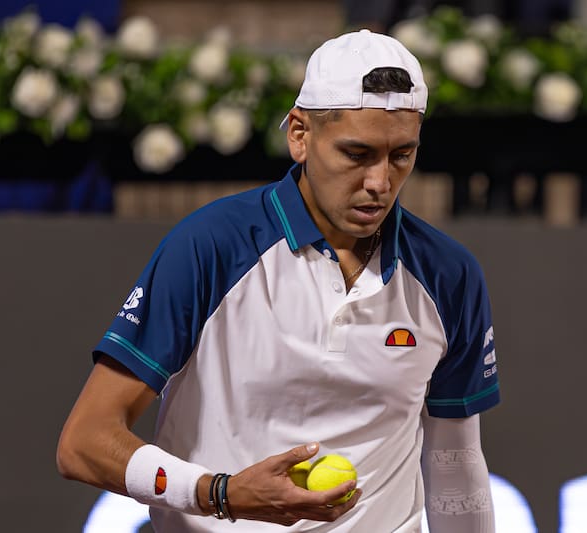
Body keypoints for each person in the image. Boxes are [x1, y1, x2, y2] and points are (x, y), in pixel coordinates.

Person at [57, 29, 500, 532]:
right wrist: (220, 494)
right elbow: (84, 443)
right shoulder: (209, 245)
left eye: (401, 155)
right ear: (299, 135)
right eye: (356, 154)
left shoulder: (450, 274)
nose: (380, 183)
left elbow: (455, 464)